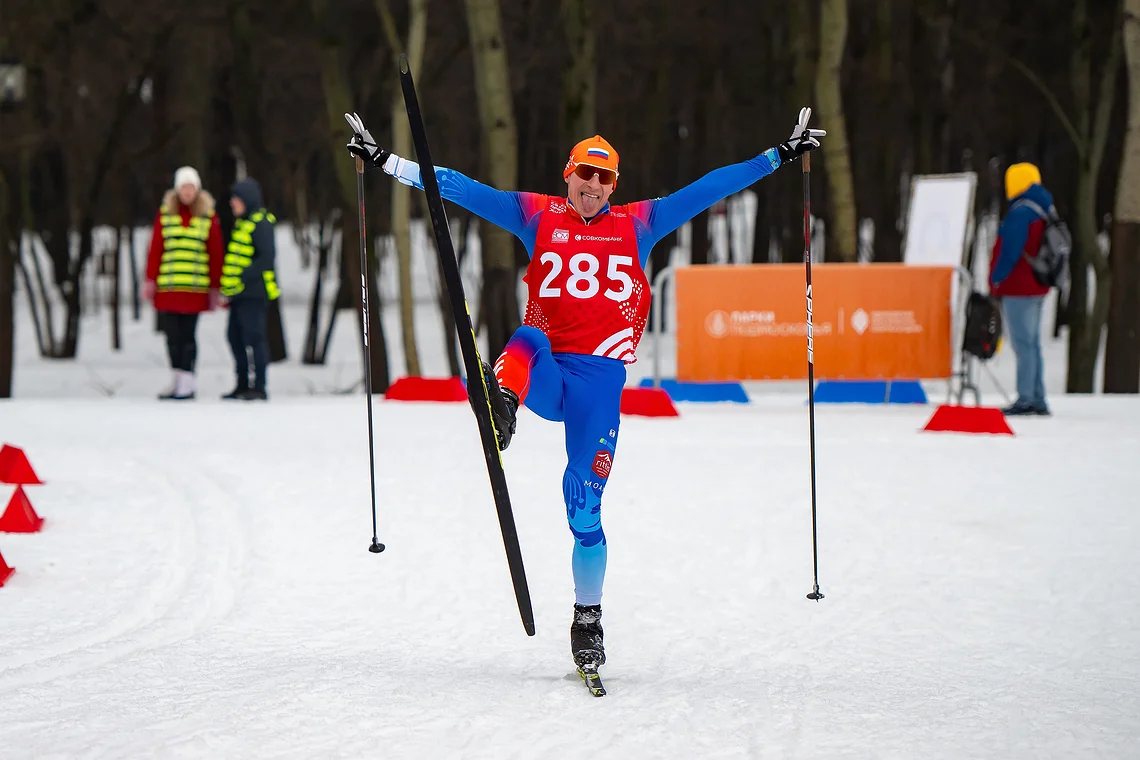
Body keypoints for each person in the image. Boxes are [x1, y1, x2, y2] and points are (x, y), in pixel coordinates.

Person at [345, 108, 824, 672]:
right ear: (567, 175)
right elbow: (459, 187)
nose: (592, 186)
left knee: (584, 509)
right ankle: (502, 404)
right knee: (525, 336)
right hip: (546, 373)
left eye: (604, 178)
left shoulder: (641, 223)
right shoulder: (536, 214)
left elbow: (710, 187)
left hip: (598, 388)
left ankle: (587, 618)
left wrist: (779, 155)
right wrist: (386, 163)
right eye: (584, 174)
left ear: (613, 185)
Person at [144, 166, 224, 400]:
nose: (187, 192)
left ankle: (188, 382)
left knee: (188, 335)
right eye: (183, 187)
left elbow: (215, 252)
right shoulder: (165, 214)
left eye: (191, 188)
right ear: (177, 190)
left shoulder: (207, 216)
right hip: (169, 288)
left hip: (194, 289)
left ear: (197, 189)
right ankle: (177, 378)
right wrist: (151, 279)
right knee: (172, 336)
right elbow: (156, 248)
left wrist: (215, 286)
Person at [989, 162, 1053, 416]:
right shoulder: (1044, 207)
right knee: (1033, 343)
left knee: (1023, 344)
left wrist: (997, 278)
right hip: (1037, 286)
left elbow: (1010, 250)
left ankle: (1026, 398)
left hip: (1019, 288)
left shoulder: (1021, 212)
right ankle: (1037, 396)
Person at [220, 177, 279, 401]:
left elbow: (267, 258)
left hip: (254, 293)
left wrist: (244, 276)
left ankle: (259, 386)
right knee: (235, 337)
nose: (232, 203)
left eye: (236, 199)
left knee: (254, 338)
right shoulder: (243, 223)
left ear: (248, 200)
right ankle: (242, 384)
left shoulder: (261, 223)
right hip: (239, 293)